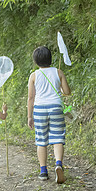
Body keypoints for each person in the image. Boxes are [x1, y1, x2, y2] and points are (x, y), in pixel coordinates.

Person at [27, 46, 71, 183]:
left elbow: (30, 98)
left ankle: (43, 171)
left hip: (39, 109)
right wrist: (60, 90)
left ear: (36, 61)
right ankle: (58, 164)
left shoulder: (34, 76)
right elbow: (67, 91)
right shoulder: (58, 72)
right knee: (57, 138)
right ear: (50, 59)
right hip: (56, 107)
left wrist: (29, 116)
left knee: (41, 141)